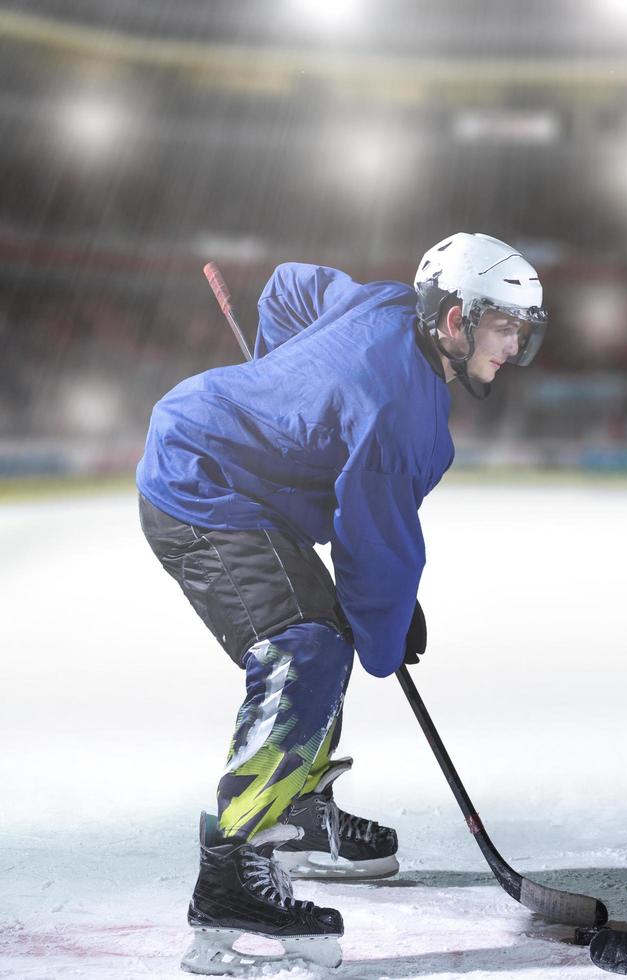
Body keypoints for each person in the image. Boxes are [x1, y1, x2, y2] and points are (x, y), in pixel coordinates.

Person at [137, 232, 548, 974]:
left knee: (329, 627)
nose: (514, 346)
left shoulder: (387, 303)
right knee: (307, 644)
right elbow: (377, 554)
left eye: (523, 331)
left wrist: (280, 377)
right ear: (455, 319)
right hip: (199, 483)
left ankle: (296, 814)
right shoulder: (403, 418)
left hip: (229, 467)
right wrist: (386, 632)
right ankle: (232, 870)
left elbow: (290, 287)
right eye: (505, 328)